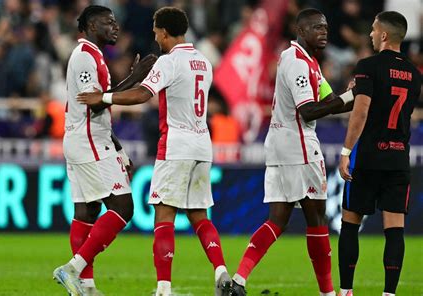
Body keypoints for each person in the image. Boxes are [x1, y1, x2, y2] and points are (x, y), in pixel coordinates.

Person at [77, 6, 232, 296]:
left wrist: (105, 97)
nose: (154, 36)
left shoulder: (168, 62)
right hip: (202, 144)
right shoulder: (204, 61)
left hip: (176, 145)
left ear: (163, 32)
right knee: (200, 216)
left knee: (164, 218)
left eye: (155, 31)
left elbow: (142, 94)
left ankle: (163, 288)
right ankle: (221, 271)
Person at [228, 8, 357, 296]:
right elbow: (309, 109)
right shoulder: (297, 62)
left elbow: (332, 101)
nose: (324, 32)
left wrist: (354, 94)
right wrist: (349, 97)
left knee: (277, 219)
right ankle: (327, 293)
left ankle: (238, 280)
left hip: (280, 145)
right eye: (317, 28)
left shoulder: (309, 61)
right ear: (301, 30)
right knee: (317, 219)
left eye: (325, 27)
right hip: (298, 146)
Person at [52, 5, 156, 296]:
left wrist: (118, 148)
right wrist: (136, 78)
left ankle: (85, 285)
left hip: (87, 138)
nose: (115, 27)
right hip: (88, 142)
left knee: (87, 210)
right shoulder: (85, 56)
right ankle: (72, 268)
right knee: (123, 208)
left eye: (115, 22)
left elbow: (101, 103)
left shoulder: (92, 55)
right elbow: (94, 102)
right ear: (89, 26)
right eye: (107, 22)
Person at [337, 11, 421, 296]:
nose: (371, 34)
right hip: (398, 158)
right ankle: (389, 294)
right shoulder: (414, 74)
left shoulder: (368, 66)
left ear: (384, 35)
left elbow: (361, 111)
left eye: (373, 30)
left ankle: (346, 291)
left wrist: (346, 151)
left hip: (369, 157)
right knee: (394, 228)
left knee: (350, 223)